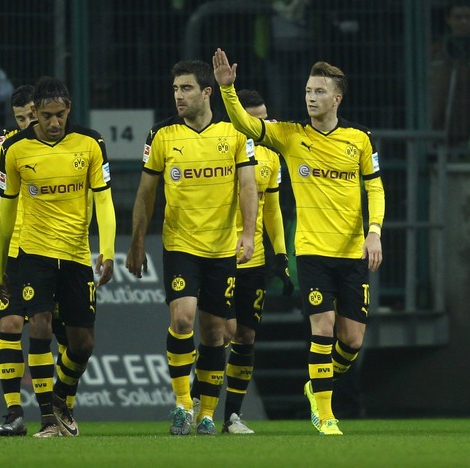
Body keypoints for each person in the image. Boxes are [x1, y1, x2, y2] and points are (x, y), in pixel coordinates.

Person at [213, 48, 385, 435]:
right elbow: (243, 124)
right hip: (310, 252)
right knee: (321, 328)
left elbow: (375, 190)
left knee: (352, 340)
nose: (310, 97)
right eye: (308, 90)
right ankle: (325, 414)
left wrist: (373, 232)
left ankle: (316, 384)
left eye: (319, 91)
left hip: (353, 251)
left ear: (336, 98)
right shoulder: (290, 136)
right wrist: (228, 90)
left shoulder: (360, 140)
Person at [126, 60, 259, 436]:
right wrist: (137, 242)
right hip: (181, 245)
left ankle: (207, 413)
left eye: (185, 89)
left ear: (206, 93)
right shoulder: (162, 135)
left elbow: (248, 187)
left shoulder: (234, 133)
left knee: (216, 332)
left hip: (221, 249)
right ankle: (184, 404)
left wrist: (247, 234)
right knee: (182, 318)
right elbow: (146, 193)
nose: (178, 96)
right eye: (174, 89)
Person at [0, 76, 115, 438]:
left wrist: (106, 249)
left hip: (76, 255)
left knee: (82, 344)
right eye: (46, 116)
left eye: (60, 115)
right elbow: (5, 212)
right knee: (40, 325)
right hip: (33, 253)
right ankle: (46, 419)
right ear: (35, 113)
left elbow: (104, 200)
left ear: (69, 110)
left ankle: (60, 397)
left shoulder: (90, 143)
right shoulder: (15, 150)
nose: (54, 123)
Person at [189, 89, 293, 434]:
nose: (264, 124)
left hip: (255, 261)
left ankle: (232, 415)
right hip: (220, 255)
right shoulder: (221, 149)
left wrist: (281, 254)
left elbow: (273, 209)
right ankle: (197, 397)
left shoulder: (272, 158)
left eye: (266, 117)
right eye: (256, 118)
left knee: (246, 335)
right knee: (222, 331)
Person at [0, 85, 36, 227]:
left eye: (31, 116)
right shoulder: (10, 135)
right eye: (21, 119)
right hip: (18, 231)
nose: (27, 124)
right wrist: (17, 143)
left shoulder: (57, 138)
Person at [429, 0, 470, 158]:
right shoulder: (437, 50)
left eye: (467, 17)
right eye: (458, 17)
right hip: (442, 124)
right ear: (448, 19)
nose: (464, 22)